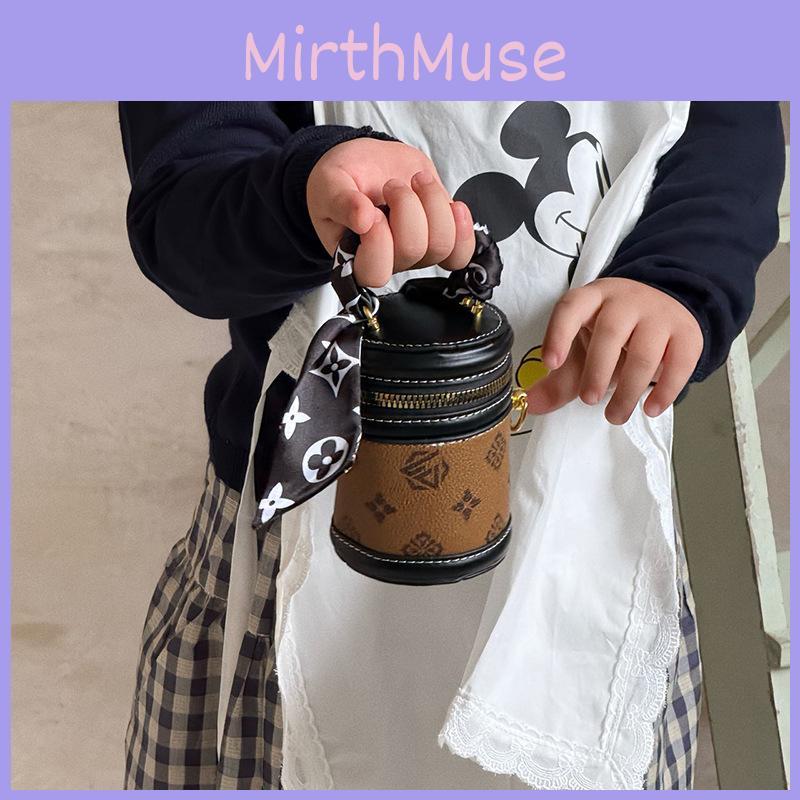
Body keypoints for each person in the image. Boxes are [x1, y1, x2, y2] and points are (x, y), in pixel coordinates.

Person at [119, 101, 784, 790]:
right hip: (294, 543)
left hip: (583, 531)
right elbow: (184, 198)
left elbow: (729, 128)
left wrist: (676, 277)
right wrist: (303, 191)